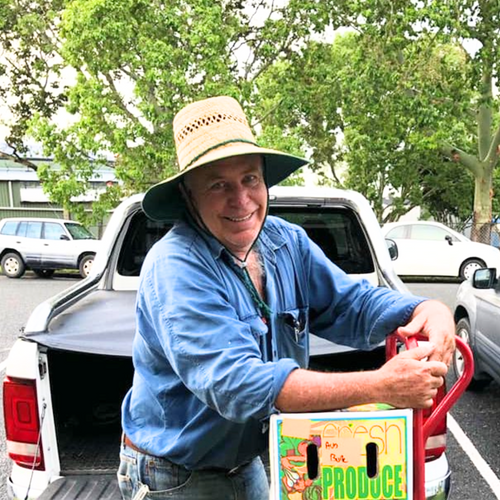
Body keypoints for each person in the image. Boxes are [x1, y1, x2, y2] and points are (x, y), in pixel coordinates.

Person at [118, 95, 455, 500]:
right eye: (217, 185)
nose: (240, 199)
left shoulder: (285, 241)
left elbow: (351, 305)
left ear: (264, 181)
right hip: (176, 476)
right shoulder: (176, 266)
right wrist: (380, 386)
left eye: (249, 179)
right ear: (189, 197)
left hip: (245, 463)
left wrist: (426, 308)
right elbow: (238, 385)